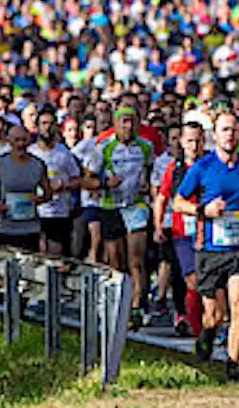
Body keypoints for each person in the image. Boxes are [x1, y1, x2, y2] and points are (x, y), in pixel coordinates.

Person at [174, 112, 239, 382]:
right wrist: (204, 210)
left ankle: (233, 366)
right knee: (214, 314)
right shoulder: (202, 167)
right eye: (225, 130)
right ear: (215, 134)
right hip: (210, 249)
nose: (230, 135)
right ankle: (207, 336)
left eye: (235, 130)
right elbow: (178, 203)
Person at [83, 106, 156, 329]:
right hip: (111, 206)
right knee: (116, 259)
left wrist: (149, 188)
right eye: (124, 121)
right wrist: (105, 184)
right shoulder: (104, 147)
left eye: (132, 121)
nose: (128, 126)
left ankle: (136, 306)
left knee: (136, 259)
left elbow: (152, 171)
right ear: (116, 123)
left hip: (136, 206)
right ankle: (117, 301)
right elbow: (87, 180)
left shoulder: (146, 147)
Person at [157, 122, 207, 338]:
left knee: (211, 281)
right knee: (192, 279)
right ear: (182, 142)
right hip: (182, 233)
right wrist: (158, 225)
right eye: (189, 141)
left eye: (197, 140)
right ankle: (198, 330)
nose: (193, 146)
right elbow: (162, 197)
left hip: (211, 230)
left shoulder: (211, 164)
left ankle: (208, 320)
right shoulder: (174, 169)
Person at [0, 124, 53, 252]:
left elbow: (48, 193)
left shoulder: (38, 165)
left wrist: (39, 199)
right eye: (17, 140)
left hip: (30, 227)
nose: (20, 144)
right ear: (9, 142)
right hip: (6, 227)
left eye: (24, 140)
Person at [29, 108, 82, 256]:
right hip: (36, 211)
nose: (47, 127)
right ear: (37, 126)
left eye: (51, 124)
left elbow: (78, 179)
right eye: (44, 123)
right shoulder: (31, 152)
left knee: (57, 254)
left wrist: (63, 185)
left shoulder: (64, 153)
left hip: (59, 211)